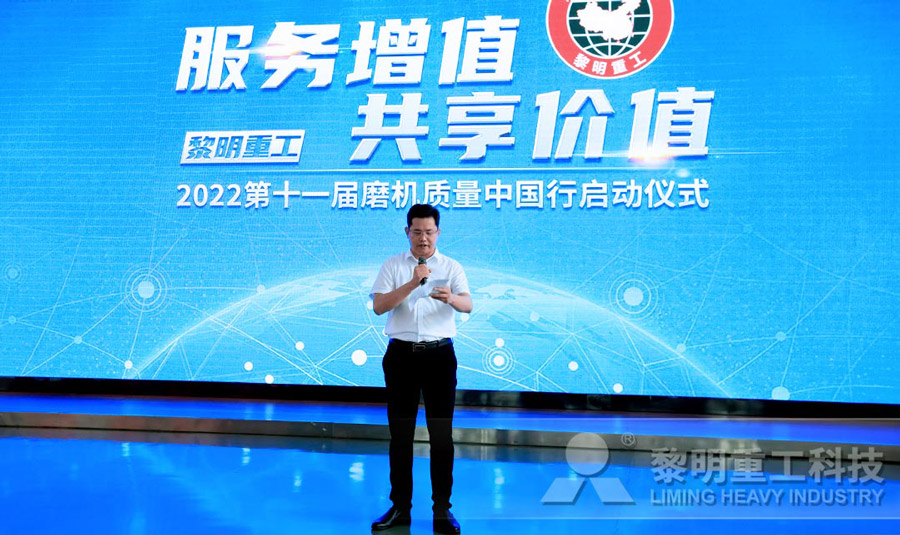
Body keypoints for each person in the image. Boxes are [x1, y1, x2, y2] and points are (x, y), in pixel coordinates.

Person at [369, 204, 472, 535]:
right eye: (417, 232)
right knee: (400, 436)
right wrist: (413, 284)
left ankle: (442, 510)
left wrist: (451, 298)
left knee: (441, 436)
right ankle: (400, 508)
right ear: (407, 232)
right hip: (401, 357)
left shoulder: (452, 266)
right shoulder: (393, 266)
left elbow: (468, 304)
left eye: (429, 232)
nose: (423, 238)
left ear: (438, 232)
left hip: (439, 357)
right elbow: (379, 306)